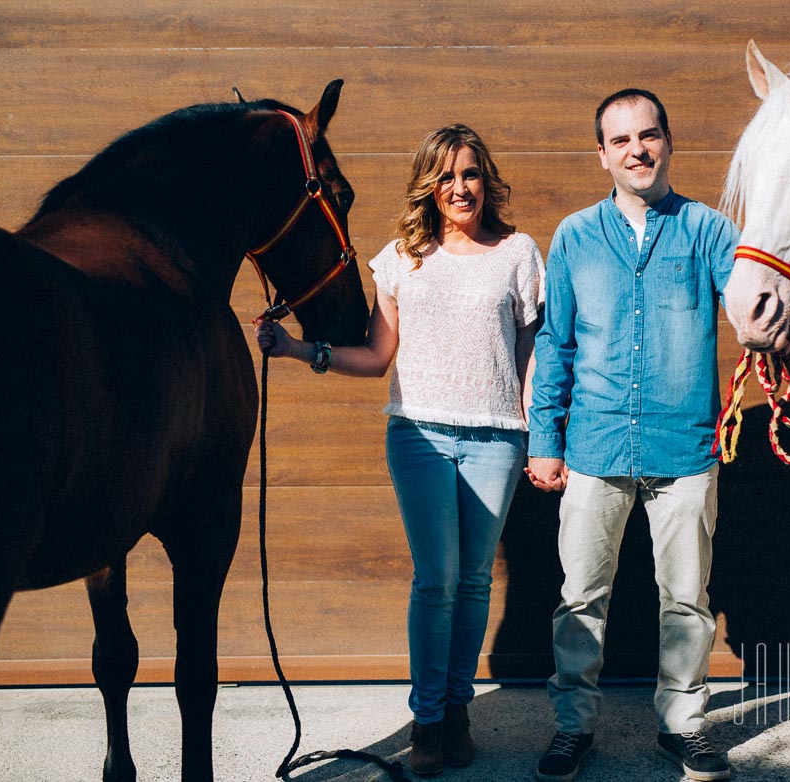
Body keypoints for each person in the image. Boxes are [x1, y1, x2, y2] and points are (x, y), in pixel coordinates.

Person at [255, 124, 544, 777]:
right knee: (435, 580)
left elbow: (532, 356)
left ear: (485, 180)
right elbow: (378, 354)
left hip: (497, 436)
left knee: (472, 583)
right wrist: (302, 350)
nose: (459, 187)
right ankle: (428, 720)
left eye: (469, 174)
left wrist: (539, 432)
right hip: (418, 434)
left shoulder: (519, 252)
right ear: (428, 187)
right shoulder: (400, 258)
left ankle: (456, 710)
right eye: (445, 176)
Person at [525, 89, 739, 782]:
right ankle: (572, 727)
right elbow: (555, 344)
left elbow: (753, 301)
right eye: (620, 140)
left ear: (668, 142)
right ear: (602, 155)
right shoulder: (574, 236)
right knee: (580, 598)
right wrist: (544, 440)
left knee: (685, 600)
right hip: (593, 445)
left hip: (684, 451)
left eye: (647, 136)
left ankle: (682, 728)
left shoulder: (708, 230)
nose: (636, 150)